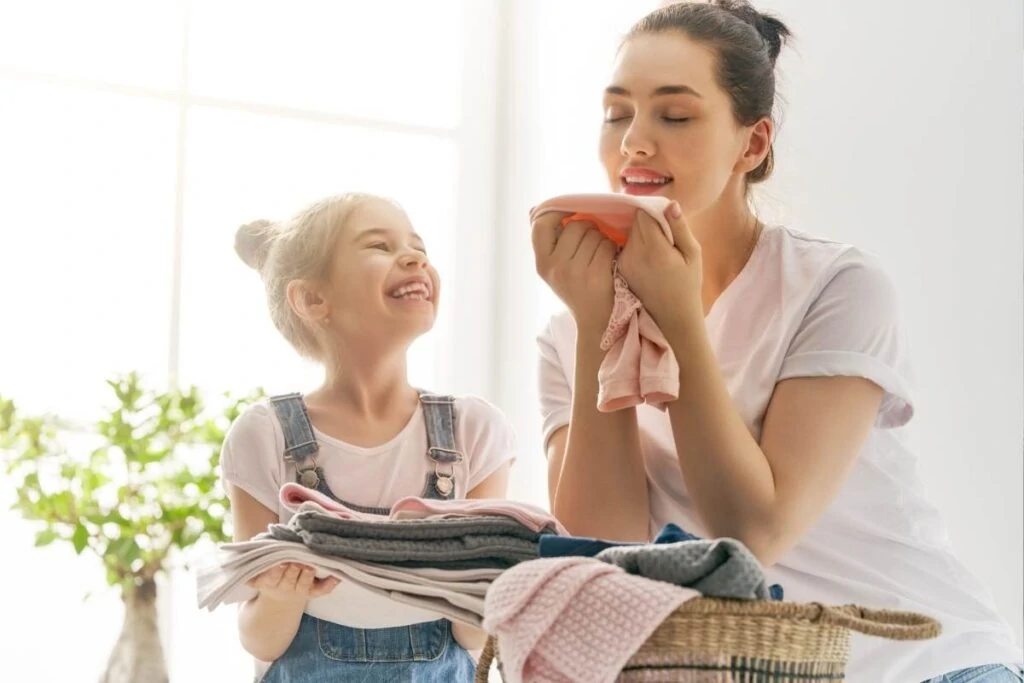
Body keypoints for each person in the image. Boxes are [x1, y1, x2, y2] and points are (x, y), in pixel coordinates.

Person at [532, 2, 1023, 681]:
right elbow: (610, 547)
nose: (634, 143)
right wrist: (598, 326)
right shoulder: (568, 329)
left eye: (674, 115)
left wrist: (676, 319)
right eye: (617, 113)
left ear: (752, 144)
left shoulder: (837, 288)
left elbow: (754, 533)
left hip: (927, 664)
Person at [222, 192, 515, 682]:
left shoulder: (474, 432)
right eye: (379, 245)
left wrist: (478, 586)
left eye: (418, 246)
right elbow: (260, 639)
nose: (415, 257)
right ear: (314, 299)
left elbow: (475, 638)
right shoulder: (264, 435)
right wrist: (282, 593)